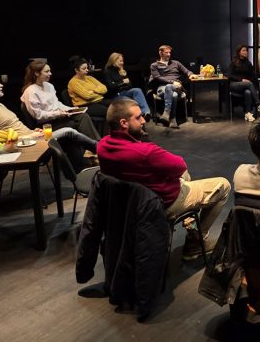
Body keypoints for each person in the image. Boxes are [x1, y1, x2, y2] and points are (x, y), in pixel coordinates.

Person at [97, 97, 231, 260]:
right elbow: (179, 164)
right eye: (138, 118)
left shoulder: (102, 146)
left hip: (128, 207)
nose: (143, 121)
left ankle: (190, 222)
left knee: (185, 176)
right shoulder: (145, 152)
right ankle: (196, 241)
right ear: (124, 123)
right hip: (161, 204)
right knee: (223, 185)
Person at [0, 73, 97, 171]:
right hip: (24, 146)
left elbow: (15, 128)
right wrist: (30, 136)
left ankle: (78, 175)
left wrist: (32, 132)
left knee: (70, 138)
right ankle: (101, 149)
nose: (1, 85)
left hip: (31, 138)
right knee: (69, 131)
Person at [20, 59, 100, 141]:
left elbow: (57, 103)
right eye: (47, 71)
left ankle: (97, 142)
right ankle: (92, 144)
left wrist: (70, 109)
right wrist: (58, 114)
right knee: (72, 123)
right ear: (37, 73)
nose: (50, 73)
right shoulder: (31, 91)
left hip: (57, 118)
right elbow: (39, 116)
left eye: (50, 71)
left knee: (83, 115)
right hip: (46, 125)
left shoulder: (49, 85)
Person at [149, 44, 198, 128]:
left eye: (169, 52)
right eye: (166, 52)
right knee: (173, 94)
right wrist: (172, 82)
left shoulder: (176, 63)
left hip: (177, 86)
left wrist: (191, 74)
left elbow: (186, 71)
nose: (168, 54)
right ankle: (172, 119)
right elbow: (157, 78)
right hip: (162, 88)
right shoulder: (154, 65)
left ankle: (166, 113)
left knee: (170, 87)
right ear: (160, 53)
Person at [103, 52, 152, 121]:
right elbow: (111, 87)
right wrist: (123, 82)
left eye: (122, 61)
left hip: (124, 92)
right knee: (129, 100)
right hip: (115, 95)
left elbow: (129, 84)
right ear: (114, 60)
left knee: (137, 90)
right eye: (120, 61)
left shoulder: (121, 71)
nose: (122, 63)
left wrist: (118, 84)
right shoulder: (107, 72)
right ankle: (137, 117)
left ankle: (146, 113)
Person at [228, 44, 260, 122]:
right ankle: (259, 104)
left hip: (245, 85)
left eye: (246, 50)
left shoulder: (248, 63)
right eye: (243, 50)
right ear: (239, 52)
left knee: (248, 92)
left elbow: (253, 75)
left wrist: (258, 84)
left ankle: (247, 113)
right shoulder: (234, 62)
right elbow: (229, 75)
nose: (246, 52)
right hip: (234, 84)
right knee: (249, 84)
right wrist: (242, 80)